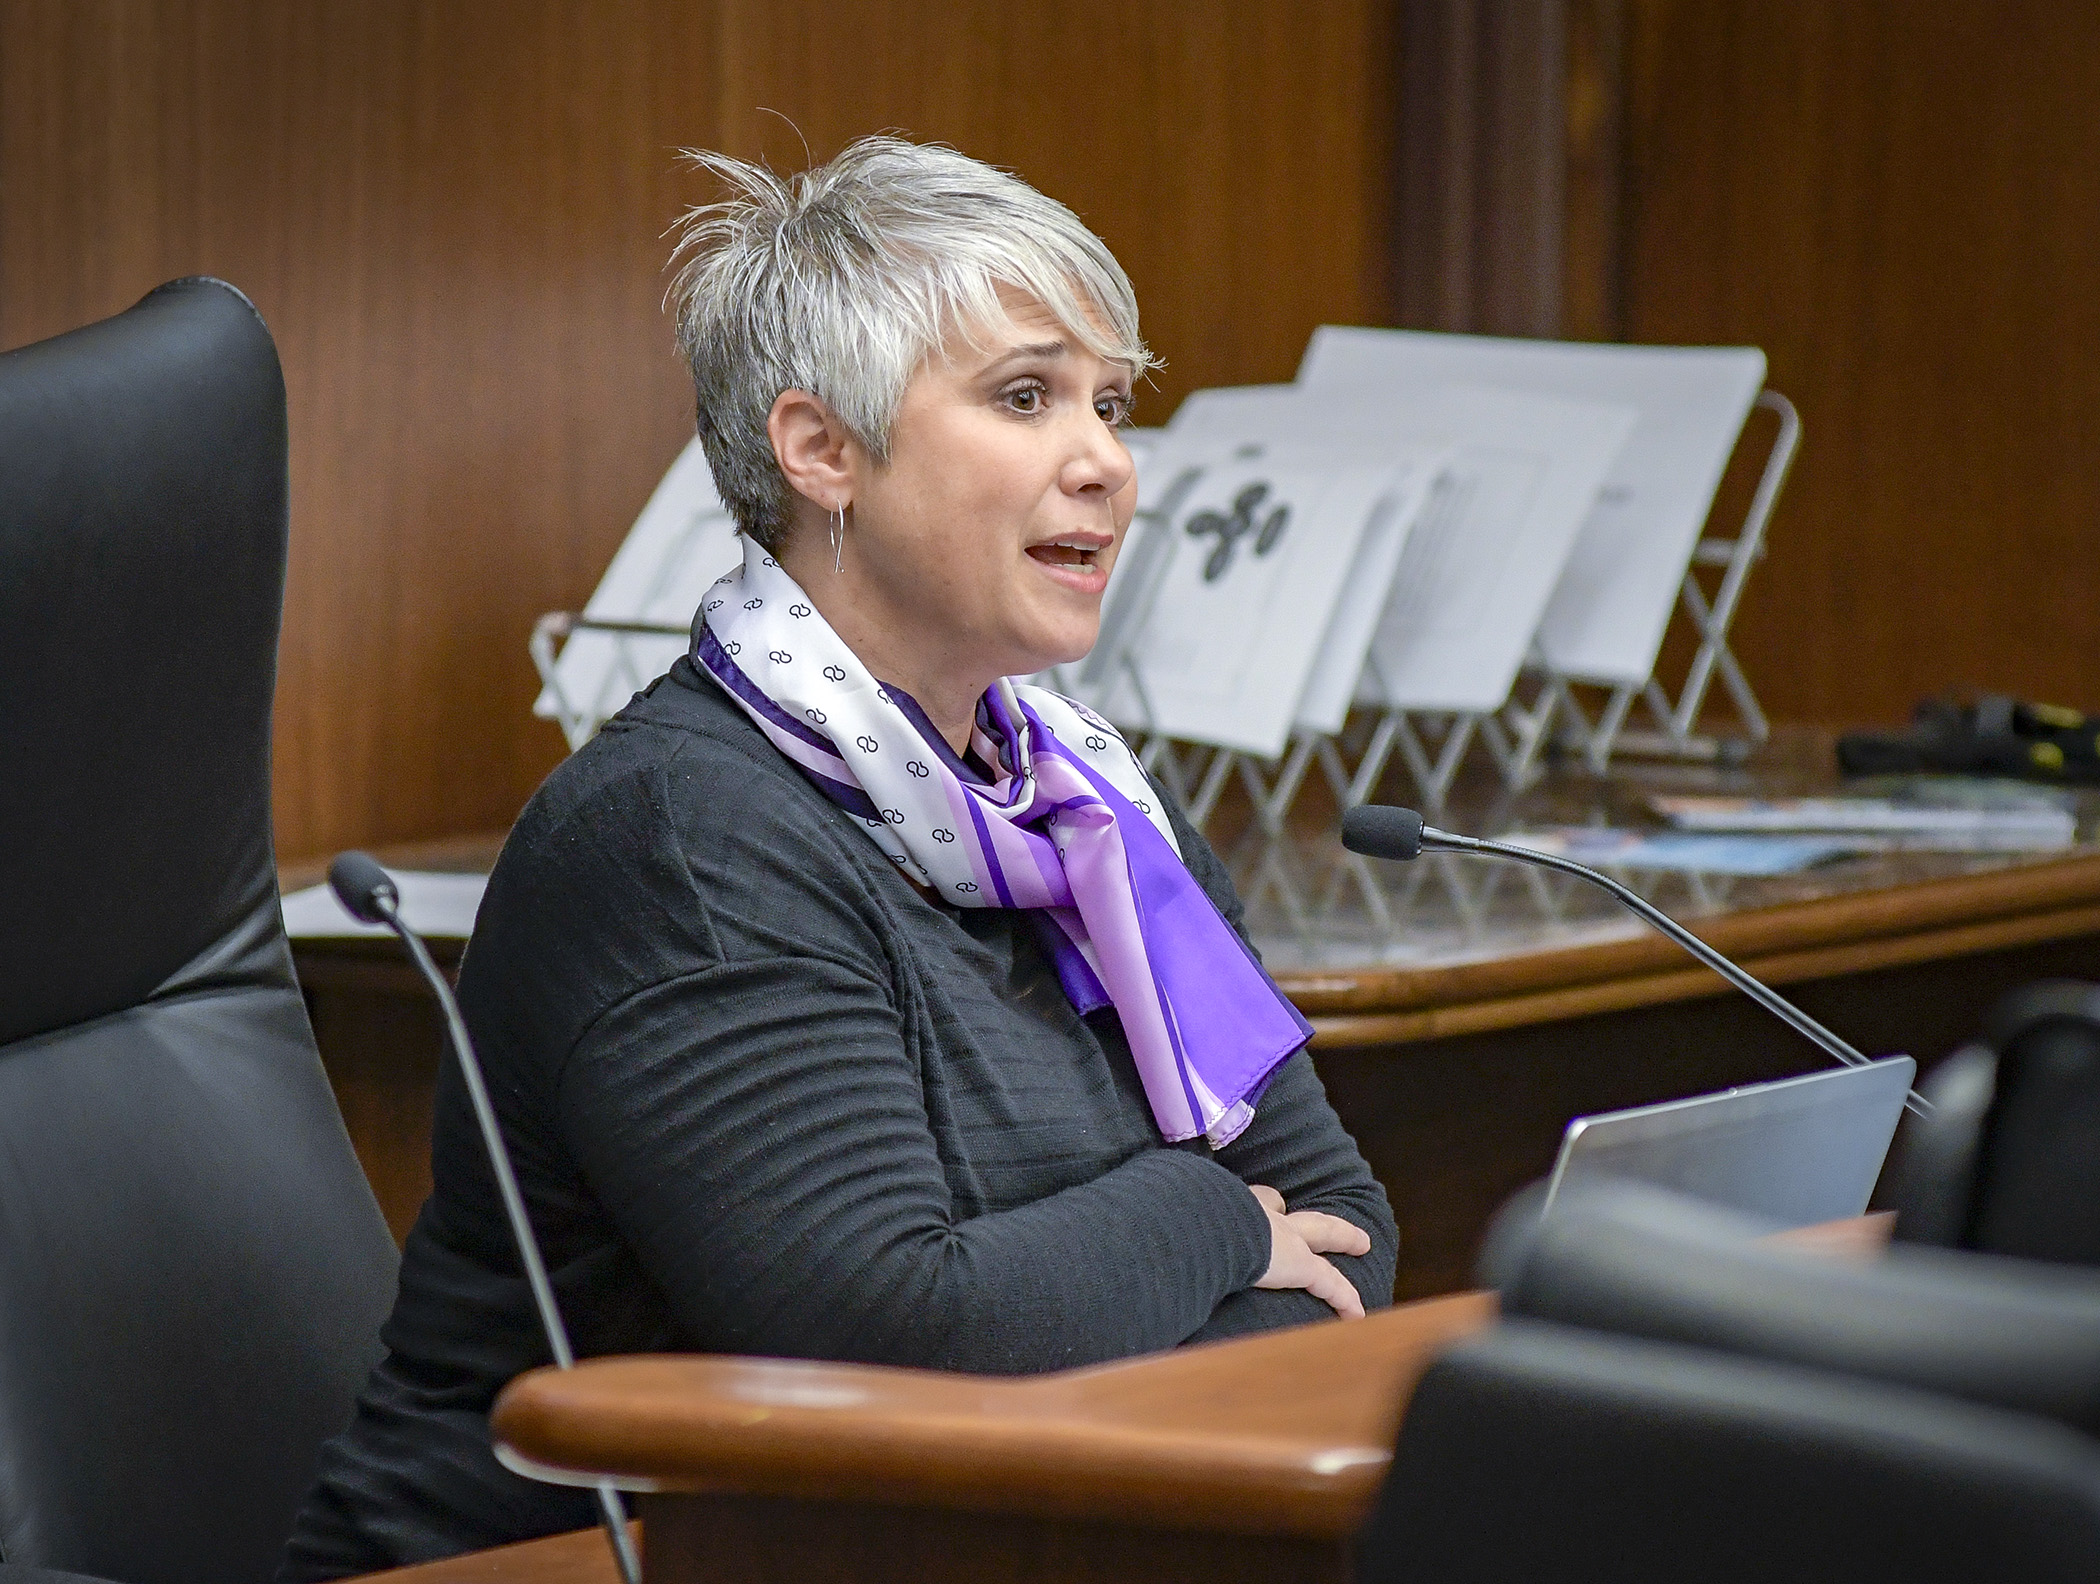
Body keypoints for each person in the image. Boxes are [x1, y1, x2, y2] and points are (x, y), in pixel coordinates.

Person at [282, 136, 1397, 1580]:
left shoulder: (1094, 806)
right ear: (822, 453)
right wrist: (1212, 1222)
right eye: (1026, 395)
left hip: (982, 1532)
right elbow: (896, 1343)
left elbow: (1353, 1240)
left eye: (1112, 403)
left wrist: (1109, 1292)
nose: (1108, 463)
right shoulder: (685, 839)